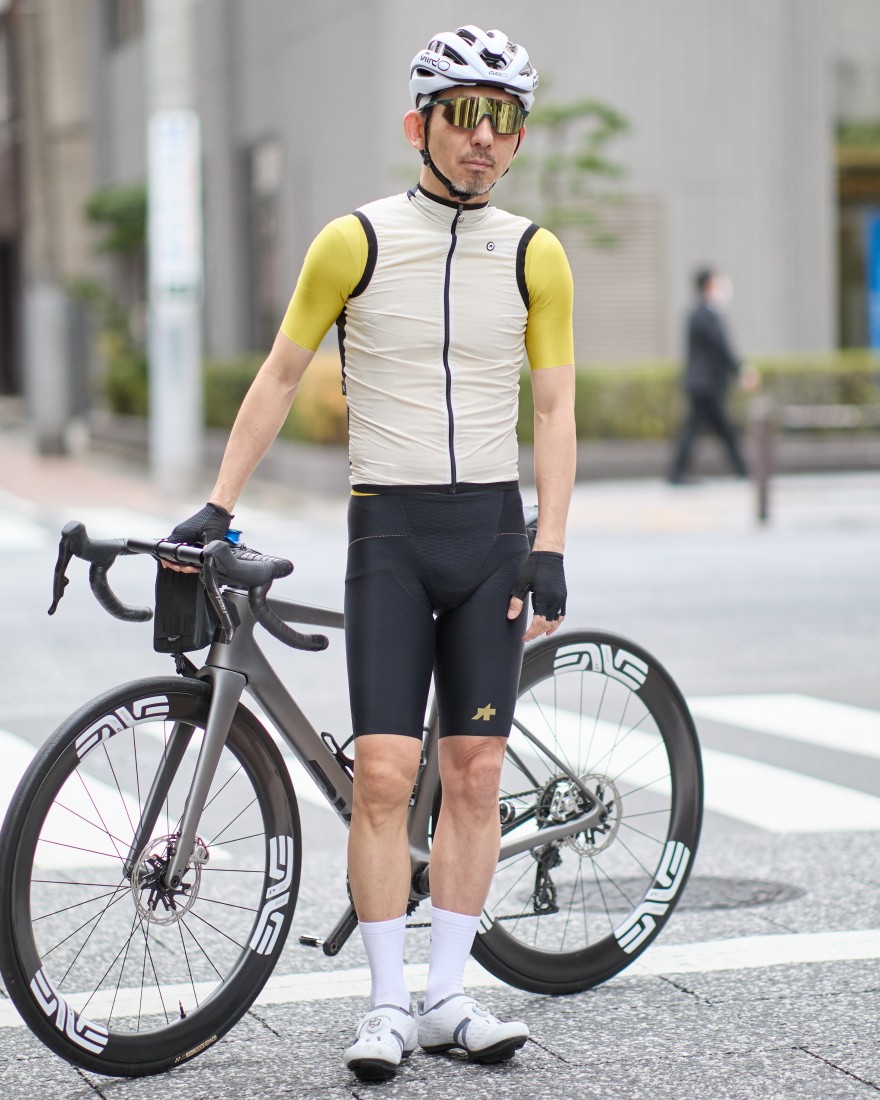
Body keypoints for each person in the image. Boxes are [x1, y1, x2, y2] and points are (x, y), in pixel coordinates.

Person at [168, 24, 576, 1083]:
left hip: (491, 533)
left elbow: (554, 407)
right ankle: (387, 1003)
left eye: (505, 120)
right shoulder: (352, 241)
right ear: (418, 125)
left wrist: (549, 543)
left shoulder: (535, 253)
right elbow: (278, 373)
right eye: (464, 115)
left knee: (475, 773)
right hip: (389, 530)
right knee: (387, 775)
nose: (484, 139)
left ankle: (449, 995)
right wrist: (218, 504)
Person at [668, 267, 757, 484]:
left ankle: (742, 470)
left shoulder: (705, 314)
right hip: (705, 386)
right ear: (708, 285)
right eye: (717, 283)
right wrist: (741, 370)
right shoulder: (704, 315)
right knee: (712, 430)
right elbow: (721, 348)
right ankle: (742, 470)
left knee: (717, 429)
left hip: (706, 385)